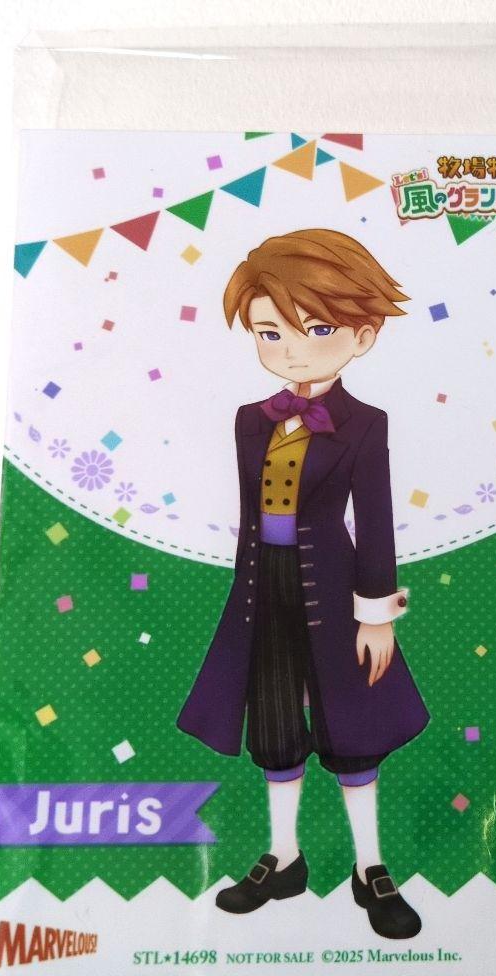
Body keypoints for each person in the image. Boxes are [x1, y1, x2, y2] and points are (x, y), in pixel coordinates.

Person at [178, 229, 430, 937]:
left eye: (316, 330)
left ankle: (370, 866)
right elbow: (250, 519)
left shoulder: (365, 426)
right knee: (276, 726)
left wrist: (376, 616)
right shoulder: (248, 423)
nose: (291, 349)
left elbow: (375, 522)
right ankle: (284, 856)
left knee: (353, 731)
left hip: (336, 589)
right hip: (263, 591)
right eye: (270, 332)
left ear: (363, 335)